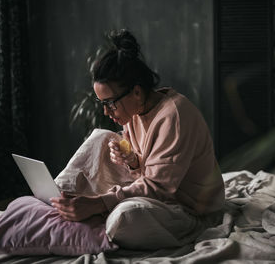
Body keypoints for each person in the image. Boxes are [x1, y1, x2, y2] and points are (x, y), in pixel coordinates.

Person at [50, 29, 224, 249]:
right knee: (101, 137)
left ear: (137, 92)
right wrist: (131, 159)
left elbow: (158, 187)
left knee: (125, 218)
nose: (106, 112)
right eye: (102, 103)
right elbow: (145, 168)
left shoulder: (175, 116)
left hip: (188, 211)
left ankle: (90, 211)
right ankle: (59, 199)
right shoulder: (133, 112)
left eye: (110, 103)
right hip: (158, 192)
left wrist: (100, 203)